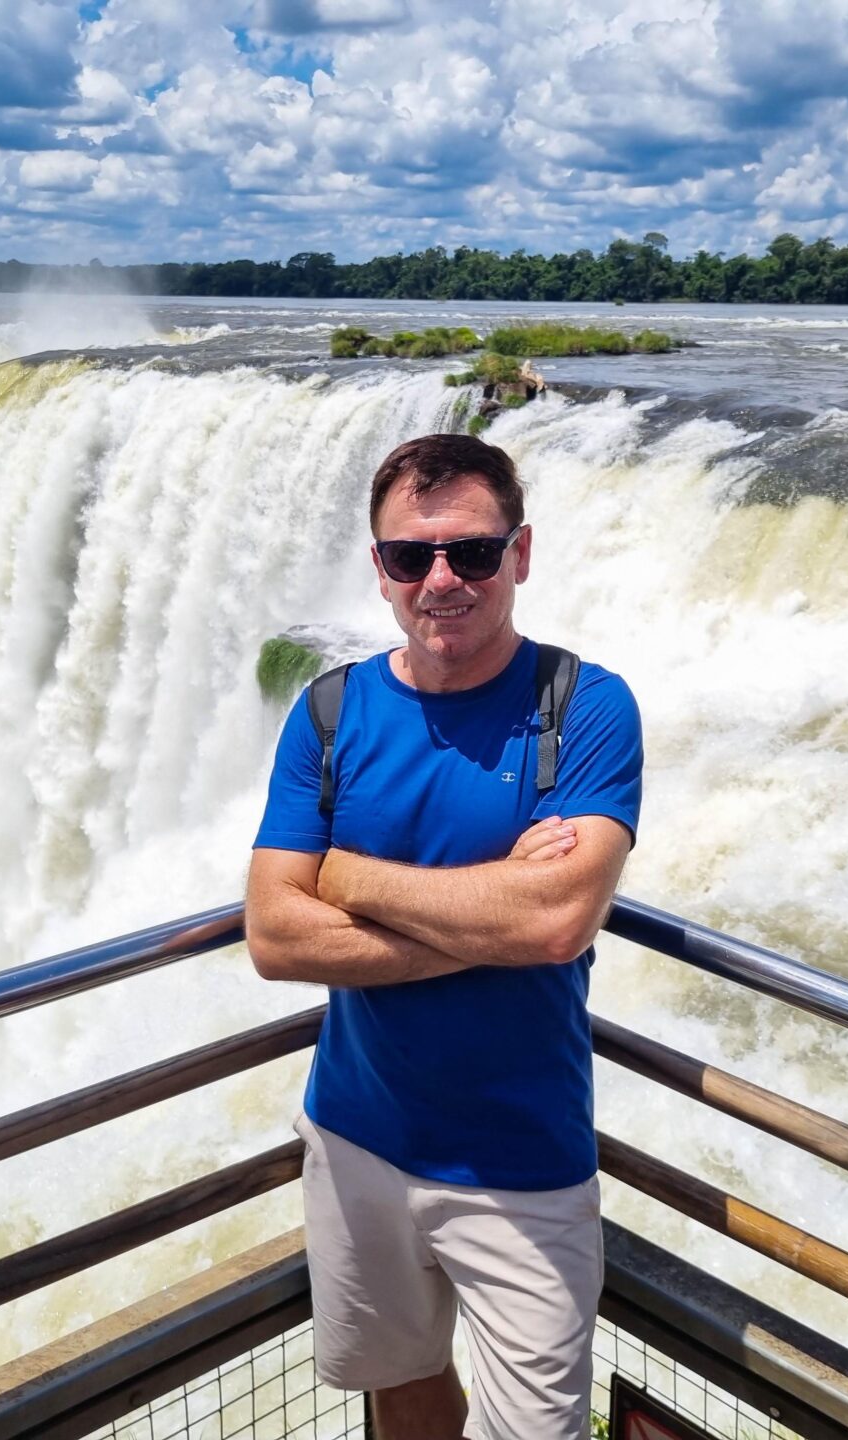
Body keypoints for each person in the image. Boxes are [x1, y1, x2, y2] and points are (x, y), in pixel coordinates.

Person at [246, 432, 643, 1440]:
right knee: (404, 1395)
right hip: (355, 1138)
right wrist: (495, 910)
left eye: (471, 552)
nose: (441, 580)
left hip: (522, 1163)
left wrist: (350, 877)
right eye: (409, 556)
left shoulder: (584, 708)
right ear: (378, 568)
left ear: (519, 554)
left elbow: (556, 920)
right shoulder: (332, 712)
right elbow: (277, 936)